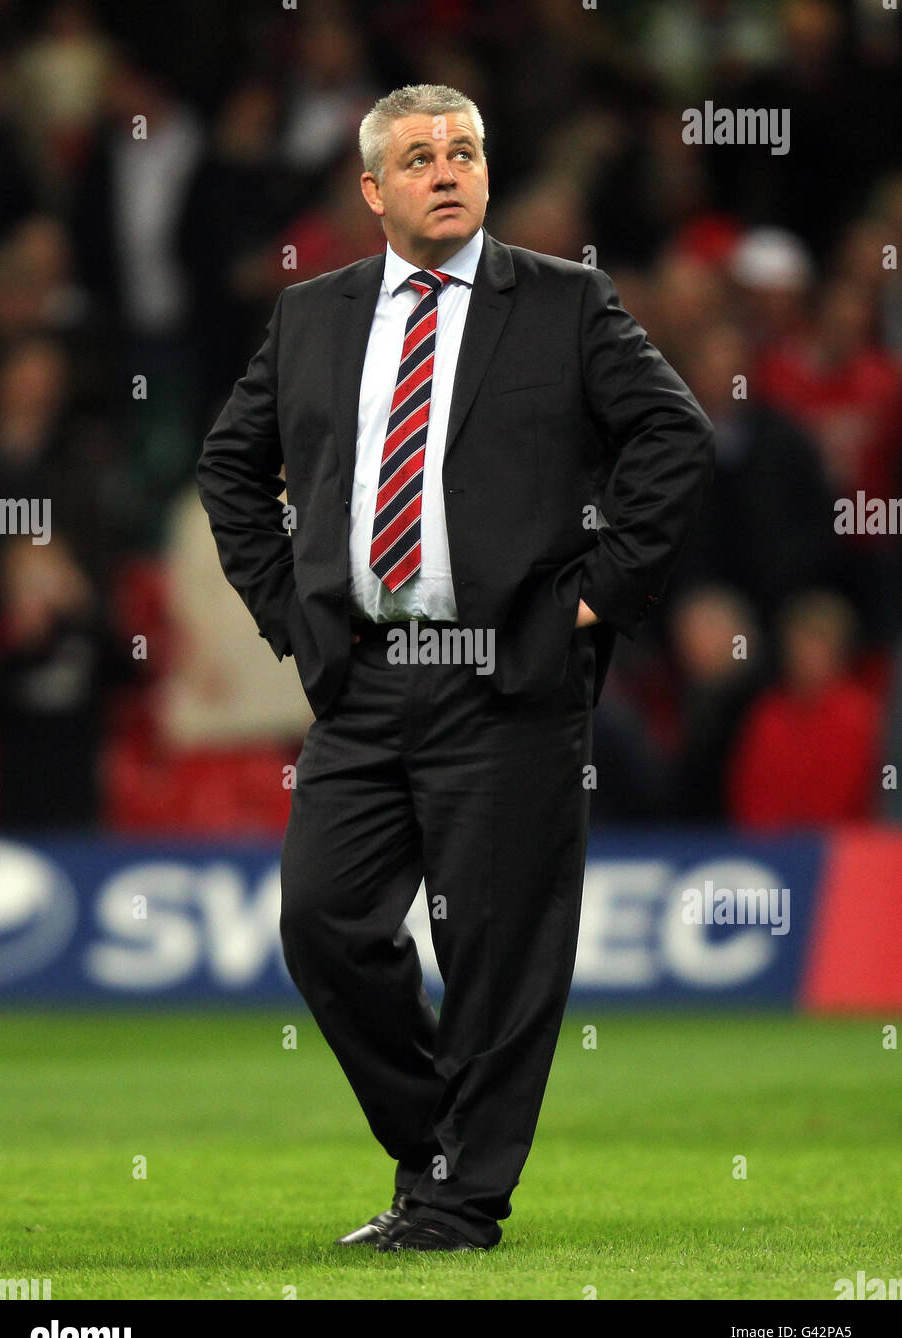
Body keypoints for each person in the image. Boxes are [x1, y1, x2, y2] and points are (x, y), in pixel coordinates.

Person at [197, 84, 714, 1252]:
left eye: (467, 150)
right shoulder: (313, 314)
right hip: (364, 675)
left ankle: (457, 1202)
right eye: (420, 156)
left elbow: (673, 437)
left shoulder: (565, 301)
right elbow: (230, 470)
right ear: (373, 190)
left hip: (508, 676)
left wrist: (590, 599)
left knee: (495, 953)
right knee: (323, 923)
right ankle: (441, 1140)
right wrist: (295, 614)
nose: (448, 169)